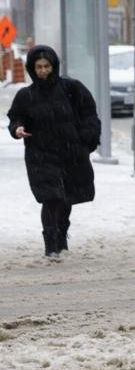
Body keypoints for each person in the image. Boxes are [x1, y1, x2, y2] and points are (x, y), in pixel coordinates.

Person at [6, 45, 100, 258]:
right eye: (38, 67)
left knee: (66, 197)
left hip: (71, 153)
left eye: (46, 66)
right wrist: (17, 129)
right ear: (32, 68)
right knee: (51, 197)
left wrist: (87, 139)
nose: (43, 71)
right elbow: (16, 118)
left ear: (54, 66)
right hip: (41, 154)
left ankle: (61, 236)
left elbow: (89, 114)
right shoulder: (25, 96)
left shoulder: (71, 88)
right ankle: (50, 245)